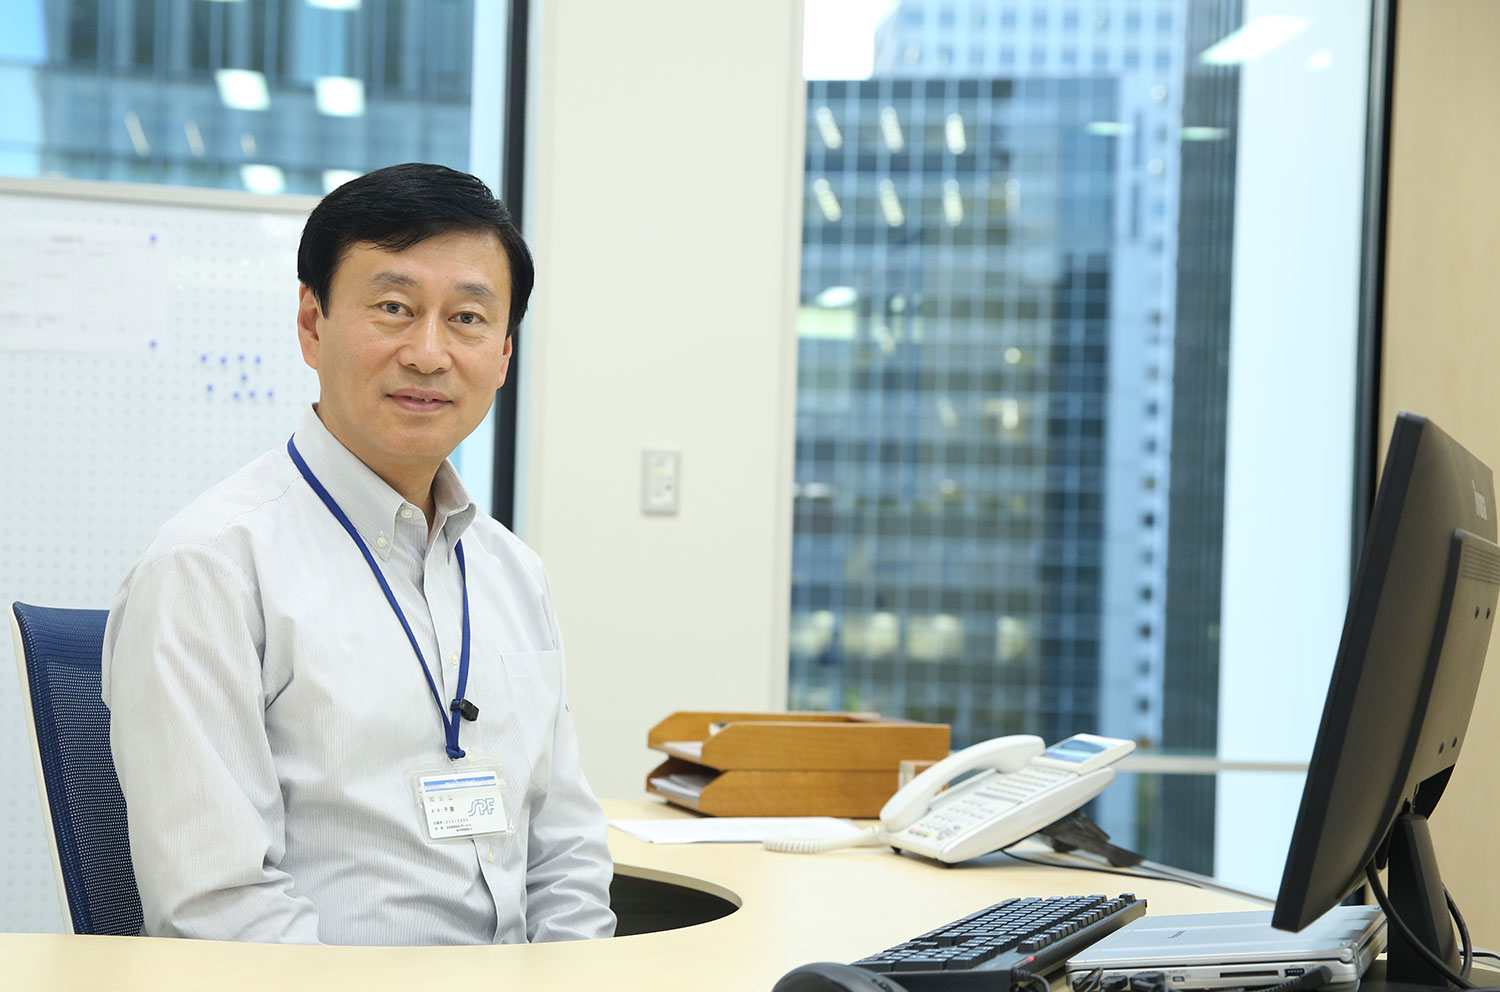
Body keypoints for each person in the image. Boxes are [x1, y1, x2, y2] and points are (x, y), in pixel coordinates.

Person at [101, 163, 616, 946]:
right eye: (394, 308)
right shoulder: (209, 568)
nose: (429, 353)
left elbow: (567, 857)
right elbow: (219, 909)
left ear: (504, 355)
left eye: (469, 320)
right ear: (312, 324)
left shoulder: (513, 572)